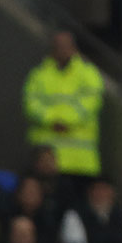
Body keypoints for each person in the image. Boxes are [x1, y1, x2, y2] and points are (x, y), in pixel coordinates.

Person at [22, 31, 103, 197]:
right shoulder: (39, 74)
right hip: (45, 163)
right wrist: (53, 120)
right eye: (58, 46)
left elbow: (90, 103)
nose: (62, 50)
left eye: (66, 46)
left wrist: (65, 120)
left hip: (80, 162)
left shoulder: (88, 74)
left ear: (74, 48)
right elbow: (31, 103)